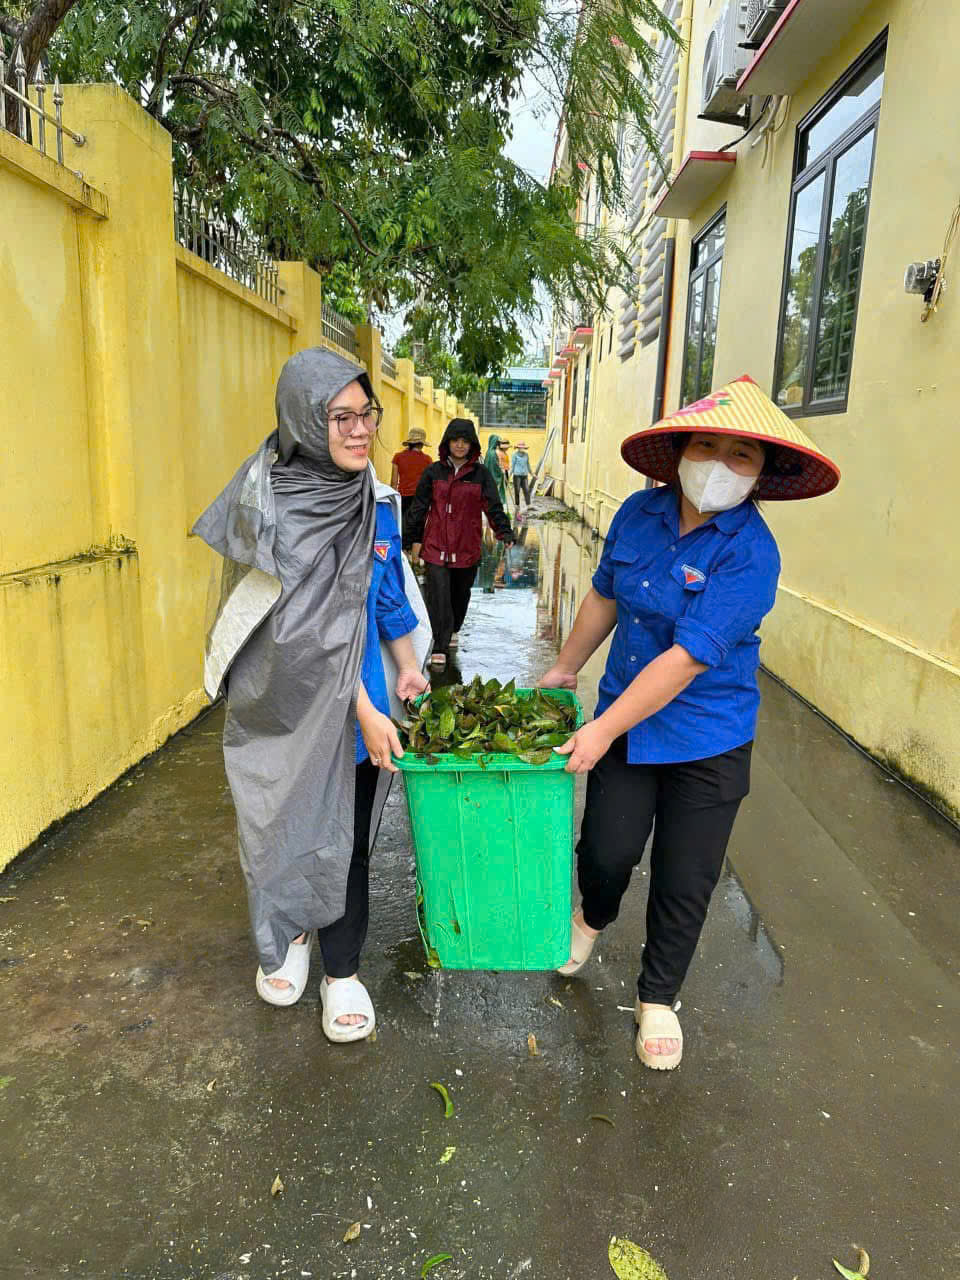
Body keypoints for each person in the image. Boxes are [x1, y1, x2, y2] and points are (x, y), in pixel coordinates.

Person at [539, 375, 840, 1070]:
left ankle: (657, 998)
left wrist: (600, 730)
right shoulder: (637, 515)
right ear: (679, 452)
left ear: (761, 473)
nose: (718, 464)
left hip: (709, 736)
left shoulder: (751, 553)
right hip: (627, 720)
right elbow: (604, 596)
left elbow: (685, 661)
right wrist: (565, 667)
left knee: (686, 876)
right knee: (606, 851)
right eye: (705, 446)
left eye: (741, 455)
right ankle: (592, 916)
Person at [192, 348, 431, 1043]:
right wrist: (366, 708)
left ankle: (342, 974)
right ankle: (292, 931)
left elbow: (386, 594)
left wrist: (407, 668)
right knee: (280, 827)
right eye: (340, 417)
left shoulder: (373, 501)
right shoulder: (265, 503)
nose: (361, 430)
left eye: (367, 414)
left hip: (361, 710)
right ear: (303, 419)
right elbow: (292, 632)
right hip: (286, 704)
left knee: (345, 840)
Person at [406, 417, 514, 667]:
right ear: (447, 442)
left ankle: (453, 627)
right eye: (455, 440)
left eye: (465, 441)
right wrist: (413, 539)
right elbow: (419, 507)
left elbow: (493, 506)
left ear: (472, 444)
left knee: (460, 593)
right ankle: (440, 644)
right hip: (436, 545)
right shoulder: (433, 472)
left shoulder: (481, 475)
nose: (460, 445)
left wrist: (504, 531)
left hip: (466, 546)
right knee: (438, 593)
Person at [391, 426, 433, 534]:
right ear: (422, 444)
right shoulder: (428, 460)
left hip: (403, 497)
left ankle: (402, 544)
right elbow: (430, 483)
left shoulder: (398, 457)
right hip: (420, 499)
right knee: (417, 530)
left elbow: (394, 482)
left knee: (401, 527)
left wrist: (393, 500)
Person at [483, 433, 510, 508]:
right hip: (494, 476)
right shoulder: (493, 453)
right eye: (497, 442)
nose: (498, 444)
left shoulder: (488, 452)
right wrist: (501, 471)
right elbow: (495, 465)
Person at [510, 441, 532, 508]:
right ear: (518, 448)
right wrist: (509, 475)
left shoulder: (526, 455)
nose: (522, 448)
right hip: (517, 475)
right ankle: (517, 505)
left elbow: (528, 465)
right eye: (520, 447)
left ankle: (528, 505)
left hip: (524, 475)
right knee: (517, 491)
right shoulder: (514, 455)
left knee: (527, 490)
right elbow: (512, 466)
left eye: (523, 447)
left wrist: (532, 474)